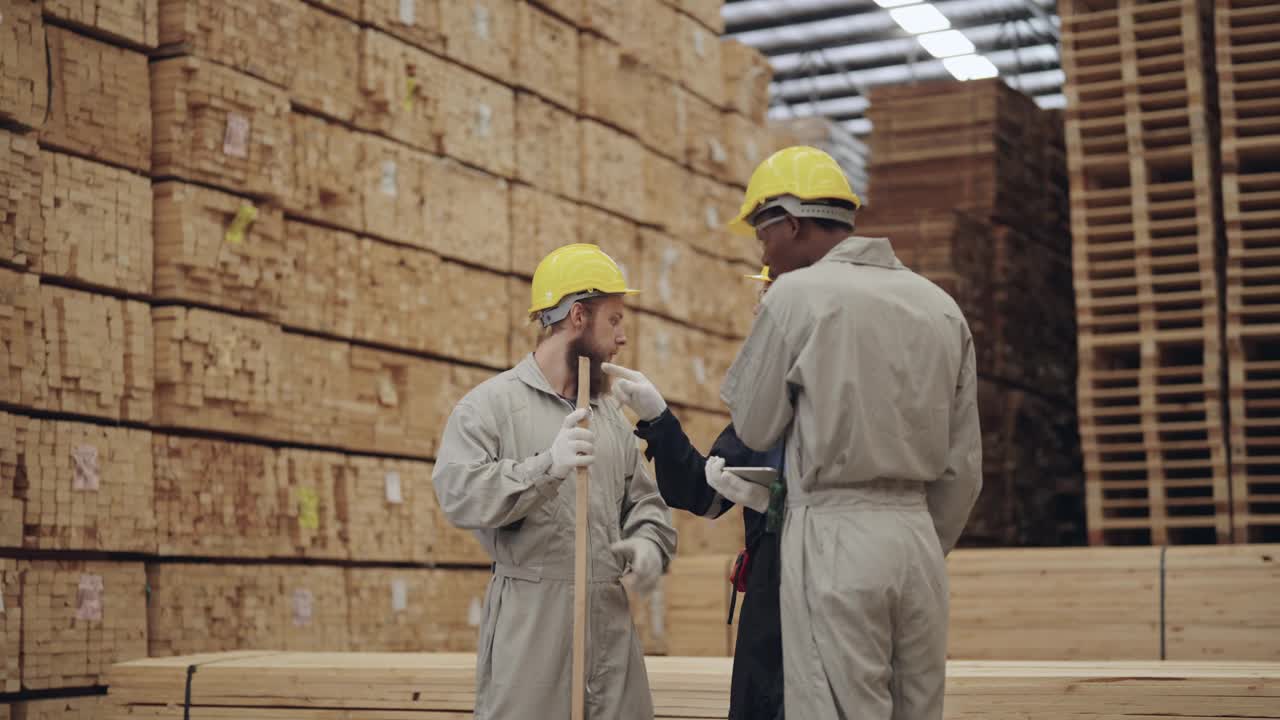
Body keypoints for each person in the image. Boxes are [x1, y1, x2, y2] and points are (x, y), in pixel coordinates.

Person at [719, 146, 983, 720]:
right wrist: (915, 537)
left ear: (790, 222)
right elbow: (964, 470)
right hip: (918, 546)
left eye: (763, 236)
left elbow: (755, 423)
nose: (764, 254)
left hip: (835, 539)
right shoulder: (940, 307)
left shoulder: (794, 297)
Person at [432, 243, 678, 720]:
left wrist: (649, 544)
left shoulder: (610, 417)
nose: (623, 337)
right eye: (615, 319)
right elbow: (458, 493)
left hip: (609, 632)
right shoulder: (490, 408)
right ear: (579, 316)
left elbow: (646, 506)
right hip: (532, 631)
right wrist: (546, 467)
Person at [604, 265, 787, 720]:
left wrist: (786, 507)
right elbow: (705, 494)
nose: (755, 306)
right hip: (771, 595)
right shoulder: (766, 396)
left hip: (826, 584)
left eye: (766, 293)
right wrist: (660, 422)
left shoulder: (842, 388)